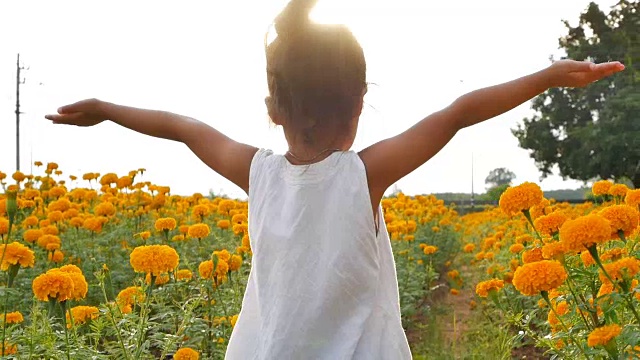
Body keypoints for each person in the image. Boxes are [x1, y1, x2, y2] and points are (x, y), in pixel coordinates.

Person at [45, 0, 624, 358]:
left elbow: (181, 126)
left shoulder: (257, 173)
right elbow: (459, 112)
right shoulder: (363, 177)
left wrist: (108, 108)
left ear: (273, 108)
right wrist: (547, 77)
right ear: (360, 104)